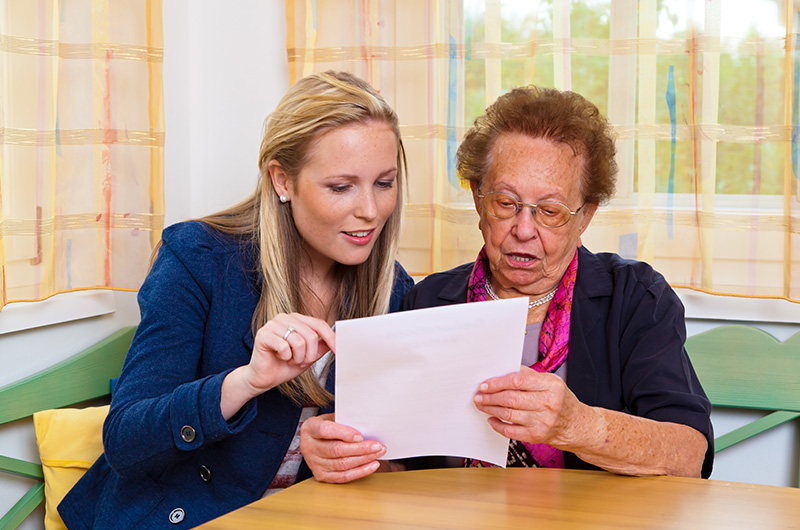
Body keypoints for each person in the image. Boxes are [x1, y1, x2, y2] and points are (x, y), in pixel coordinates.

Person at [300, 85, 713, 482]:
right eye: (505, 203)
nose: (523, 230)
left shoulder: (635, 297)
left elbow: (689, 455)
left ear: (584, 215)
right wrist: (348, 458)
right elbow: (402, 467)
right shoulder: (427, 301)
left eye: (550, 211)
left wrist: (578, 425)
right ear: (479, 199)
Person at [58, 71, 414, 529]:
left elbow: (397, 452)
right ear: (282, 180)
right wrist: (246, 381)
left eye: (384, 183)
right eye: (341, 187)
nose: (370, 210)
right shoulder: (198, 258)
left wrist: (356, 460)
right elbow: (125, 441)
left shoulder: (394, 289)